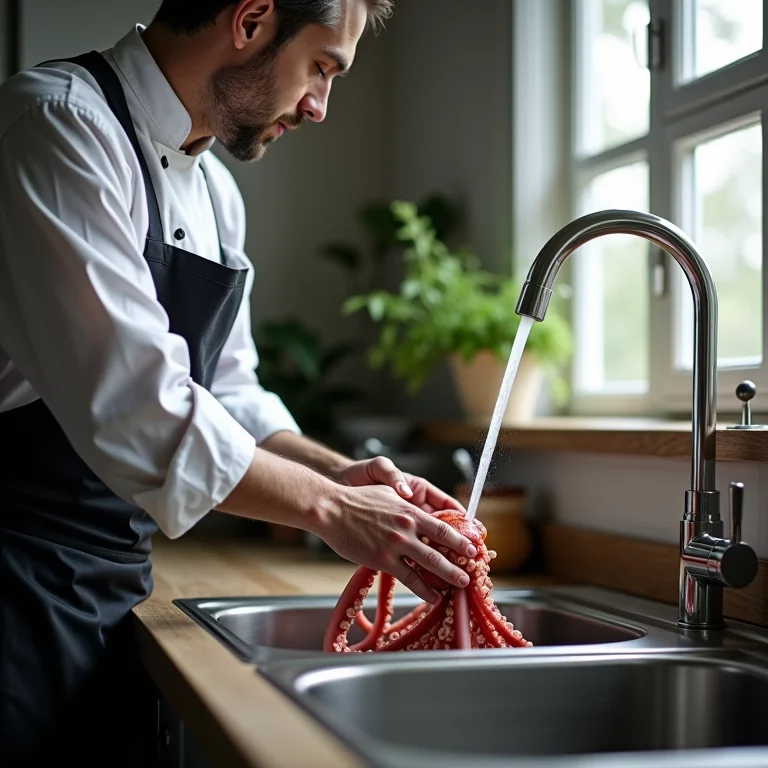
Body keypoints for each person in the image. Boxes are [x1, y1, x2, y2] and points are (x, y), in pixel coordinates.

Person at [0, 0, 477, 763]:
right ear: (252, 20)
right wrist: (331, 508)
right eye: (321, 67)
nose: (320, 107)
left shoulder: (217, 193)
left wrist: (337, 471)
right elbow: (140, 410)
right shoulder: (58, 128)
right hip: (16, 581)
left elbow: (228, 394)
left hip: (116, 579)